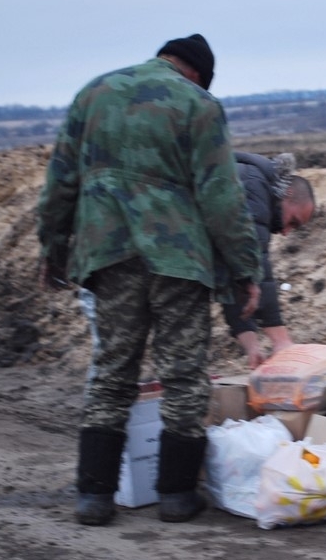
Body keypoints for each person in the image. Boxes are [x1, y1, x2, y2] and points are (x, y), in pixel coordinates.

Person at [36, 33, 263, 527]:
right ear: (198, 73)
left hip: (108, 252)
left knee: (113, 370)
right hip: (177, 258)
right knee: (183, 374)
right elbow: (221, 196)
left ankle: (94, 497)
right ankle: (177, 496)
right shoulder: (198, 104)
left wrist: (53, 249)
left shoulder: (93, 93)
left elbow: (61, 182)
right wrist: (245, 269)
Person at [222, 151, 316, 369]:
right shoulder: (255, 186)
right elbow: (256, 266)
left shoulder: (252, 182)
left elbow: (234, 277)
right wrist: (281, 340)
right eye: (293, 221)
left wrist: (252, 346)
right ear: (288, 194)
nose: (286, 232)